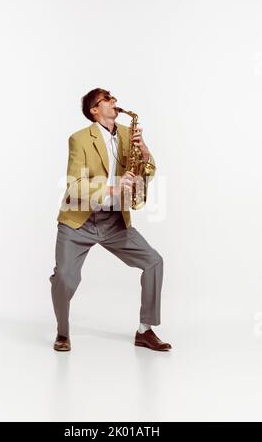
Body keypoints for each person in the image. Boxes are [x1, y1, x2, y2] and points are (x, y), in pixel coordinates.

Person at [49, 88, 171, 352]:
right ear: (94, 110)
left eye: (114, 98)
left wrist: (146, 153)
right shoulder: (79, 139)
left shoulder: (129, 134)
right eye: (108, 99)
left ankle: (145, 331)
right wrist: (114, 186)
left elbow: (146, 170)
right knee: (66, 278)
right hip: (78, 221)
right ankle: (62, 332)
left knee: (153, 262)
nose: (115, 102)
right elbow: (74, 186)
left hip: (114, 221)